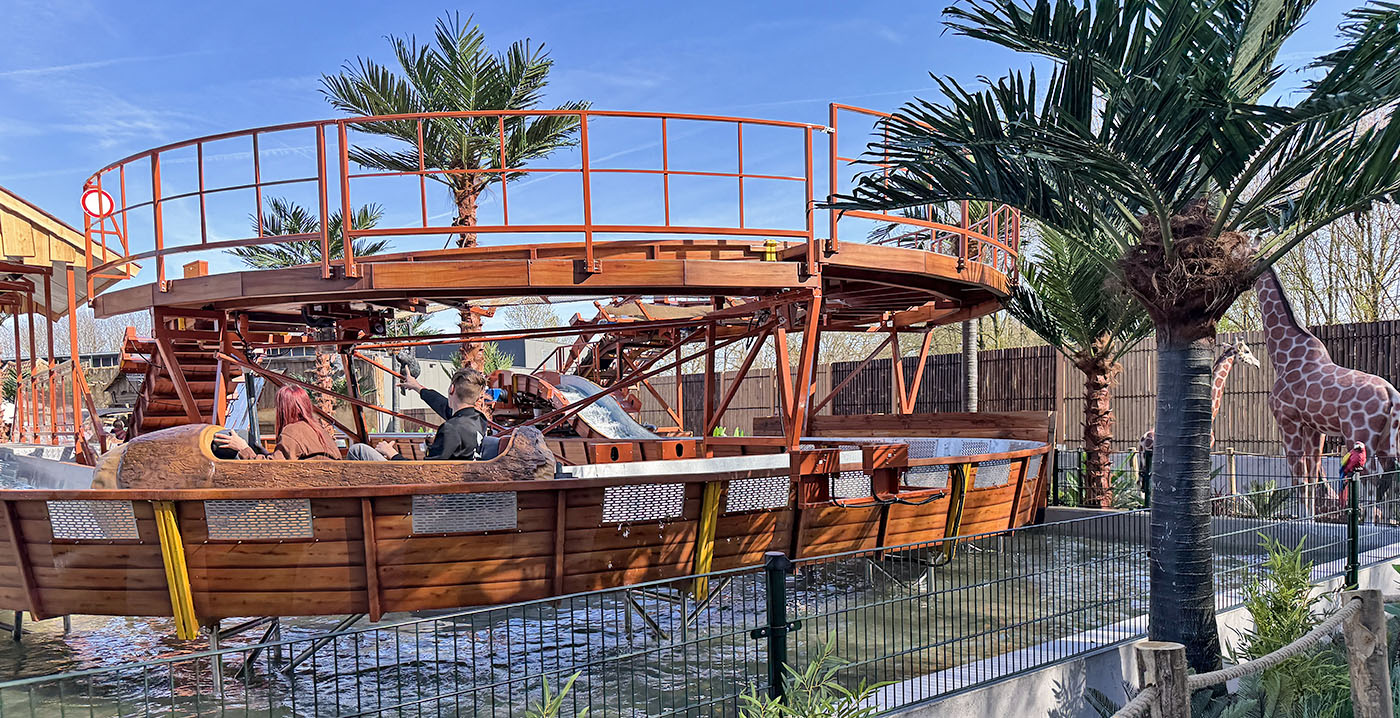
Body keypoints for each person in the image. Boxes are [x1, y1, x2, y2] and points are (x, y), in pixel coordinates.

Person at [369, 366, 488, 461]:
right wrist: (417, 387)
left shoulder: (451, 429)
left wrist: (392, 454)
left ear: (452, 389)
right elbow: (441, 404)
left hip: (439, 484)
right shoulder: (479, 420)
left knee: (360, 450)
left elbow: (425, 472)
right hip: (461, 480)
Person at [215, 385, 341, 460]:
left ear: (283, 409)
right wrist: (266, 453)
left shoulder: (292, 431)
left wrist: (243, 448)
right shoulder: (320, 431)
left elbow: (270, 471)